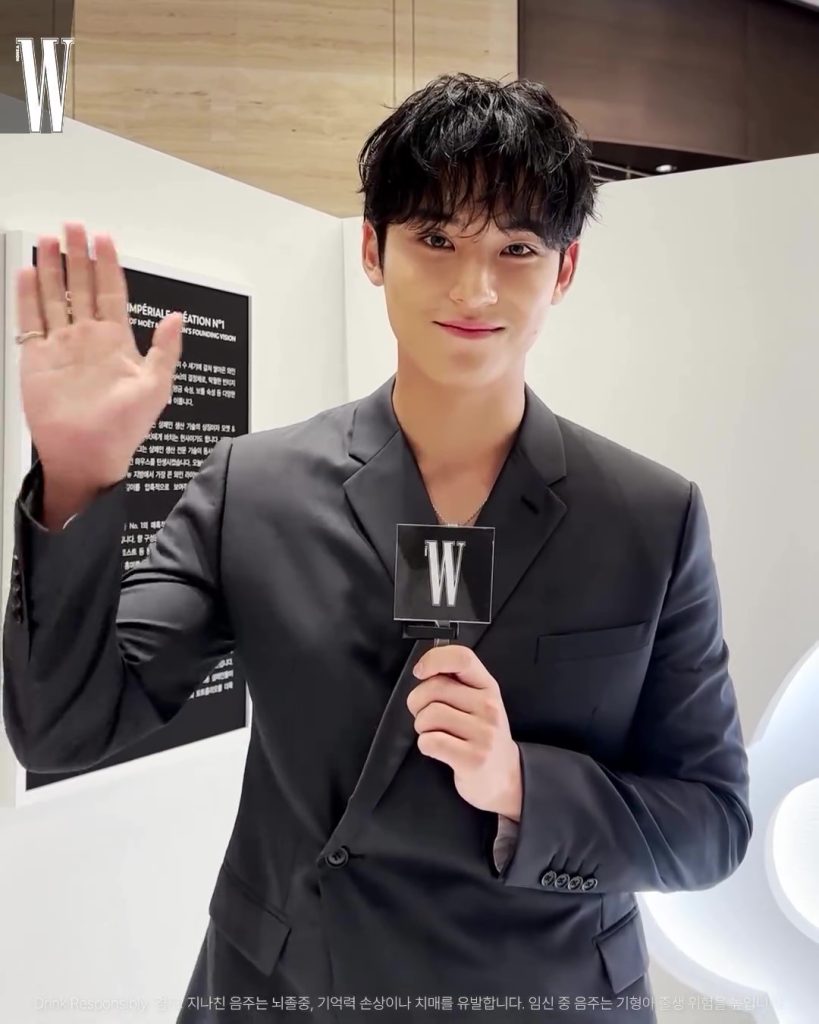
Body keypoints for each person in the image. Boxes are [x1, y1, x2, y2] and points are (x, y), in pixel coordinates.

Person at [2, 73, 751, 1022]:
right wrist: (76, 480)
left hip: (543, 993)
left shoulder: (647, 515)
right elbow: (64, 730)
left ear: (563, 270)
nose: (473, 287)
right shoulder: (254, 488)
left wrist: (522, 783)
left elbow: (712, 823)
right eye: (435, 238)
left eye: (517, 248)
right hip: (291, 988)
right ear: (372, 249)